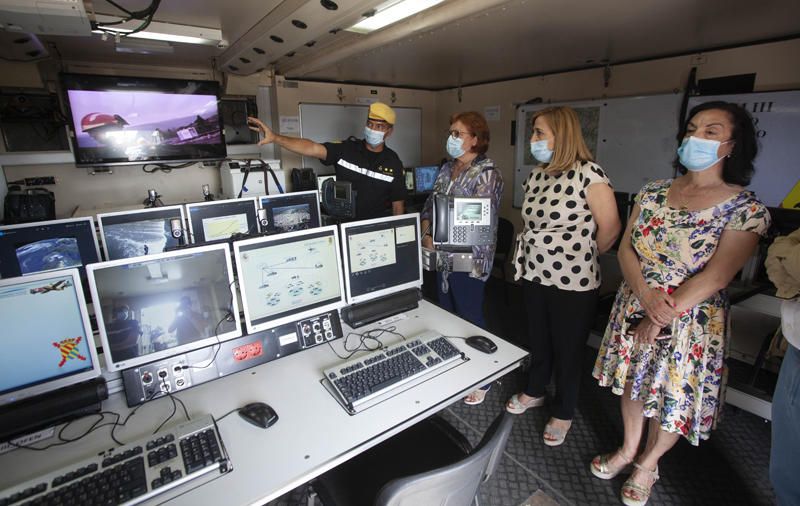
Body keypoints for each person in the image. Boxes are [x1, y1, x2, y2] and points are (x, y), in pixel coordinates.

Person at [590, 101, 771, 506]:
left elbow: (718, 275)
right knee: (634, 382)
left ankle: (648, 464)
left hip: (691, 319)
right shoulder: (652, 191)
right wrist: (646, 296)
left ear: (731, 145)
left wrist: (662, 313)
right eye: (692, 128)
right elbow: (625, 251)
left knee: (672, 392)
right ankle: (627, 448)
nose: (696, 137)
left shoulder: (746, 209)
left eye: (711, 130)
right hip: (637, 301)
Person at [506, 106, 621, 446]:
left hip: (574, 280)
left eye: (540, 132)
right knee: (539, 338)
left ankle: (565, 410)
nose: (533, 139)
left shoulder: (590, 174)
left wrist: (577, 256)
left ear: (563, 136)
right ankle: (535, 389)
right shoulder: (537, 174)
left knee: (568, 349)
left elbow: (611, 230)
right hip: (534, 274)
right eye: (534, 132)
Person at [420, 111, 504, 405]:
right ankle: (457, 366)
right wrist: (426, 233)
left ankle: (486, 377)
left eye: (458, 133)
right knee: (446, 314)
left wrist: (438, 237)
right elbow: (430, 205)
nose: (451, 138)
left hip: (470, 260)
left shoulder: (487, 174)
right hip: (442, 256)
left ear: (476, 140)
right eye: (451, 131)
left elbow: (476, 224)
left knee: (470, 316)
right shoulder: (446, 169)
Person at [247, 102, 406, 220]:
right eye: (370, 124)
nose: (373, 130)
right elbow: (311, 148)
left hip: (377, 228)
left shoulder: (393, 162)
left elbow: (398, 205)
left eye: (379, 127)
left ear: (389, 132)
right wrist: (275, 138)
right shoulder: (346, 149)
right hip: (345, 226)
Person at [765, 226, 800, 505]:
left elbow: (789, 256)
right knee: (788, 469)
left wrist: (789, 253)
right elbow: (776, 253)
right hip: (797, 347)